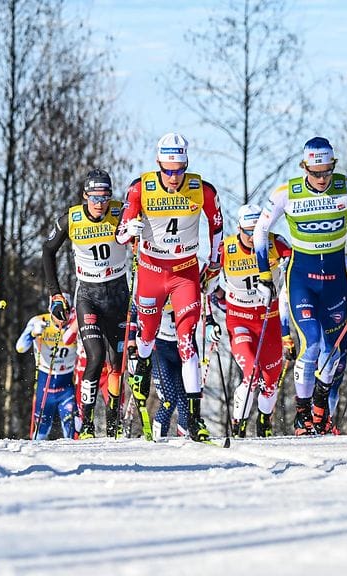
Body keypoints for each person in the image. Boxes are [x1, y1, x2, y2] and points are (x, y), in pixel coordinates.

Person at [253, 137, 347, 436]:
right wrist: (265, 276)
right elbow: (260, 231)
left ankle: (320, 410)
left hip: (335, 282)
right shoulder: (286, 193)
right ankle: (302, 412)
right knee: (312, 344)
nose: (322, 179)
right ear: (304, 167)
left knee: (332, 352)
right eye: (315, 173)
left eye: (327, 172)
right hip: (302, 279)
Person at [116, 133, 224, 442]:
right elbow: (121, 232)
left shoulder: (202, 189)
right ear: (159, 165)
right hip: (151, 270)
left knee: (187, 340)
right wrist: (129, 230)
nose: (173, 177)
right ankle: (144, 363)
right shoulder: (140, 188)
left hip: (183, 271)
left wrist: (214, 263)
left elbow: (217, 225)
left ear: (186, 165)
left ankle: (193, 420)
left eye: (179, 170)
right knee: (146, 336)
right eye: (168, 170)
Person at [42, 169, 129, 438]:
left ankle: (112, 421)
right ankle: (87, 422)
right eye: (94, 198)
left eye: (105, 198)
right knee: (95, 357)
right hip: (88, 297)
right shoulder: (72, 219)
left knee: (117, 363)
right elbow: (47, 251)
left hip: (118, 295)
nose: (100, 204)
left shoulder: (122, 212)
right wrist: (55, 294)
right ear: (85, 197)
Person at [207, 204, 293, 438]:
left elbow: (295, 265)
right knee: (252, 373)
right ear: (239, 229)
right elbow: (207, 283)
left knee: (270, 381)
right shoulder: (227, 249)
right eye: (248, 232)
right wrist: (210, 317)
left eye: (257, 232)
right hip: (240, 321)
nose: (253, 238)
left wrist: (288, 267)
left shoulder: (276, 243)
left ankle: (264, 421)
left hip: (270, 320)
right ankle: (239, 422)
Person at [15, 295, 78, 440]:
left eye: (66, 312)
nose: (63, 317)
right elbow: (20, 347)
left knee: (71, 429)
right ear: (51, 310)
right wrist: (33, 333)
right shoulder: (39, 321)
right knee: (40, 431)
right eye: (58, 313)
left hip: (67, 384)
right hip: (45, 384)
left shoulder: (74, 324)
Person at [151, 302, 190, 438]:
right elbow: (134, 310)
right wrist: (133, 340)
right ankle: (158, 436)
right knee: (169, 399)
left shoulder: (184, 285)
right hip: (160, 348)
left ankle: (185, 440)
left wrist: (210, 322)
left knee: (186, 400)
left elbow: (213, 295)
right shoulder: (156, 283)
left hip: (182, 346)